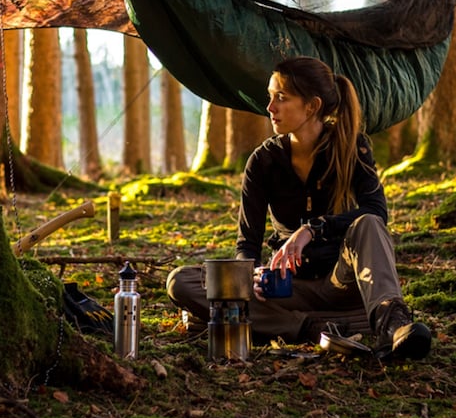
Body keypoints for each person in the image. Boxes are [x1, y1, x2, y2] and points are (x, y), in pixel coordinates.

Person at [167, 56, 431, 362]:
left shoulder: (351, 147)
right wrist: (250, 274)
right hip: (289, 289)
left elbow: (377, 211)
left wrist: (312, 229)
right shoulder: (263, 161)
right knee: (182, 281)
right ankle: (310, 327)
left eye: (281, 98)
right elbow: (247, 244)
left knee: (369, 224)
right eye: (270, 97)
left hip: (343, 283)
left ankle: (391, 324)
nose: (270, 108)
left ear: (312, 106)